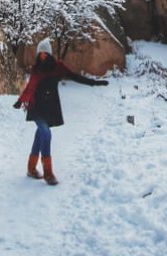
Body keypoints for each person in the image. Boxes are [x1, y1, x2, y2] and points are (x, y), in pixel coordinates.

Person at [13, 38, 108, 185]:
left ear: (49, 54)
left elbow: (74, 76)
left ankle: (31, 169)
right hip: (36, 107)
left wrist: (94, 83)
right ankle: (48, 173)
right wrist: (21, 100)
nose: (42, 56)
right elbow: (31, 86)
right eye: (40, 54)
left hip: (49, 108)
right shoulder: (36, 68)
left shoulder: (57, 67)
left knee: (40, 136)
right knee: (45, 133)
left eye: (44, 53)